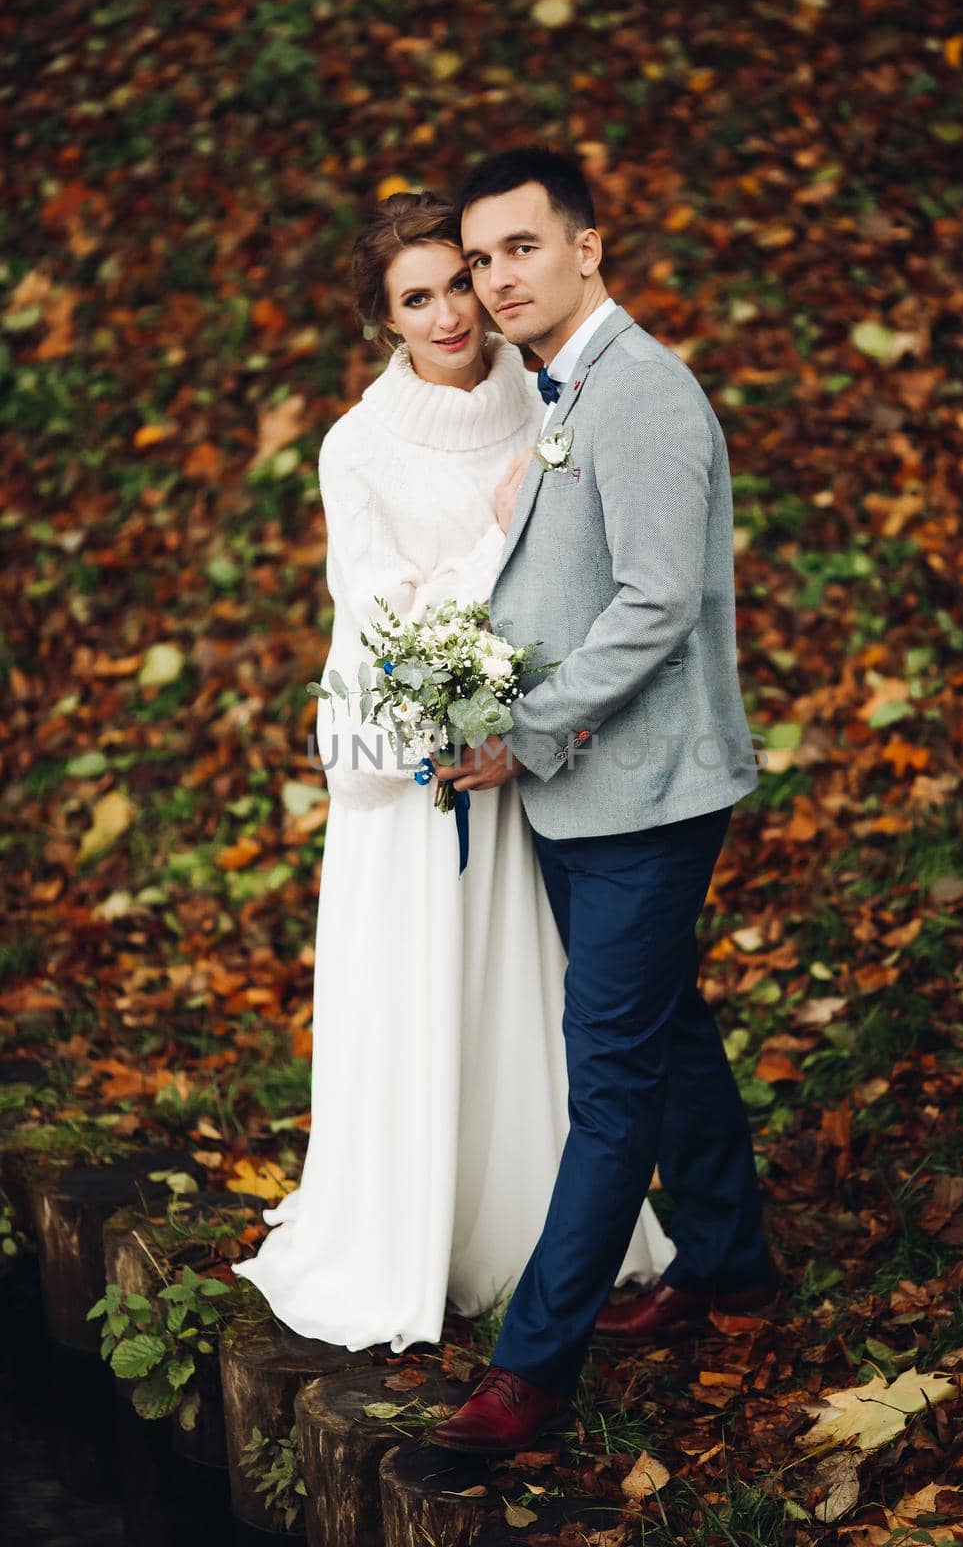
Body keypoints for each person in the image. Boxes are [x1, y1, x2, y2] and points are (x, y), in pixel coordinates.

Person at [230, 190, 674, 1354]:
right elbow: (382, 619)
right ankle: (413, 1227)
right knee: (429, 990)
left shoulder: (545, 402)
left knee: (532, 999)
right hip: (425, 781)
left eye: (457, 284)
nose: (447, 315)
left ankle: (542, 1232)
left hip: (527, 761)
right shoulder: (356, 447)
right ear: (382, 319)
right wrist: (494, 532)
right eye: (413, 298)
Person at [430, 149, 778, 1455]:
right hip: (590, 790)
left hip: (636, 792)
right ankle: (729, 1265)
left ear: (587, 247)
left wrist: (520, 727)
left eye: (520, 247)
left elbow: (656, 602)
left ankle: (531, 1369)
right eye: (478, 258)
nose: (494, 278)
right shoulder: (559, 383)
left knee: (611, 1077)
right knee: (663, 1025)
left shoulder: (639, 393)